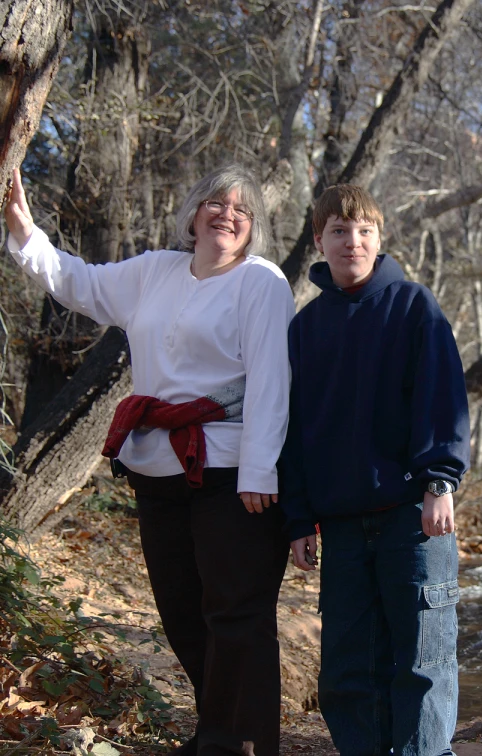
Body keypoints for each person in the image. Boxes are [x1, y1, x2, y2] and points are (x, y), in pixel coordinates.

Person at [5, 164, 296, 756]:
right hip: (157, 467)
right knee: (182, 610)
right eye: (215, 203)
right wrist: (21, 226)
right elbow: (76, 281)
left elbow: (273, 381)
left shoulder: (261, 283)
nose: (227, 215)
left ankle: (241, 742)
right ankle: (217, 730)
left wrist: (261, 471)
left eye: (241, 210)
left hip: (231, 470)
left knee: (235, 610)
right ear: (192, 214)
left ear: (253, 228)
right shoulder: (155, 272)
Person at [279, 184, 470, 756]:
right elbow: (295, 428)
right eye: (339, 231)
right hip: (340, 526)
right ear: (319, 241)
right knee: (347, 669)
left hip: (413, 517)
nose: (352, 241)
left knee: (423, 662)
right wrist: (297, 517)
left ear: (379, 239)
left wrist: (440, 481)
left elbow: (443, 398)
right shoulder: (306, 328)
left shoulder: (414, 306)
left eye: (363, 231)